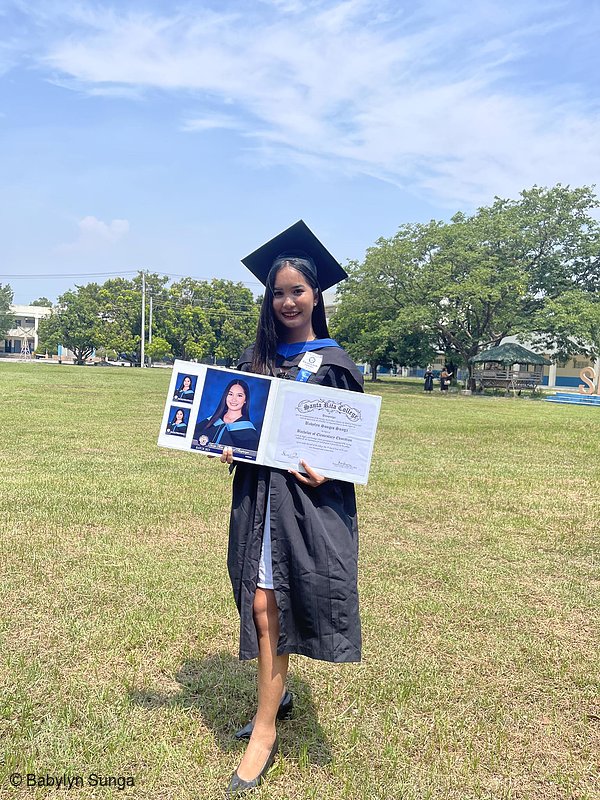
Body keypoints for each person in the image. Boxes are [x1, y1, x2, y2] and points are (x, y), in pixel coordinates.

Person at [220, 220, 363, 795]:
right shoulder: (256, 356)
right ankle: (273, 704)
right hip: (259, 500)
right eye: (277, 292)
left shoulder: (334, 362)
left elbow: (352, 446)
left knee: (271, 604)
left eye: (296, 291)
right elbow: (235, 422)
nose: (286, 301)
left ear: (315, 296)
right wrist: (227, 444)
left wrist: (332, 466)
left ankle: (263, 732)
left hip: (305, 503)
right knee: (262, 605)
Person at [194, 379, 259, 451]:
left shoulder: (249, 432)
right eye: (230, 394)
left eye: (239, 395)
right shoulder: (212, 420)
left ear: (245, 400)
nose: (233, 399)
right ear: (226, 396)